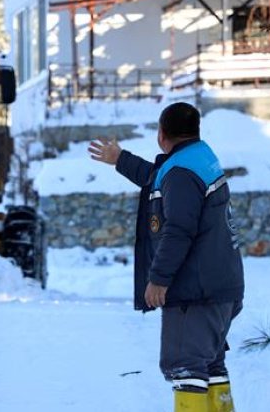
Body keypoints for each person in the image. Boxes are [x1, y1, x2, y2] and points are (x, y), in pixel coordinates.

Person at [88, 102, 244, 412]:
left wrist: (158, 279)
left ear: (161, 135)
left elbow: (178, 229)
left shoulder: (181, 172)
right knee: (210, 365)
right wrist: (121, 160)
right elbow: (157, 177)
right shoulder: (198, 158)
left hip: (195, 292)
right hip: (219, 285)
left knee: (186, 367)